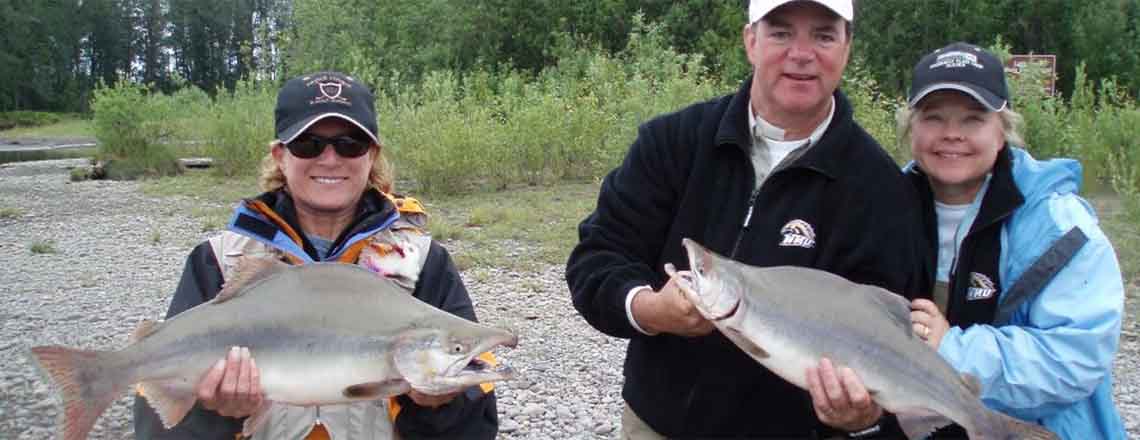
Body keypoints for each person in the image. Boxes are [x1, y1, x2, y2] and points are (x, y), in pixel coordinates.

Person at [565, 0, 930, 437]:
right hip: (655, 424)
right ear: (750, 41)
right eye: (780, 32)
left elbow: (896, 344)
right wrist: (649, 308)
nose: (801, 52)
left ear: (847, 48)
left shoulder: (882, 190)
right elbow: (597, 257)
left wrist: (863, 420)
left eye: (823, 35)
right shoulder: (671, 142)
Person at [133, 71, 499, 439]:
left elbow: (475, 430)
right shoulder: (216, 261)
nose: (330, 159)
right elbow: (157, 426)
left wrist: (437, 404)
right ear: (280, 155)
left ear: (372, 155)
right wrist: (220, 415)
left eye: (350, 144)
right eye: (308, 144)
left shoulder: (424, 263)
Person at [900, 42, 1127, 439]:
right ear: (911, 128)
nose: (952, 134)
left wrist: (951, 350)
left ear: (1002, 132)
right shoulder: (880, 206)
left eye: (973, 119)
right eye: (934, 118)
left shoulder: (1057, 224)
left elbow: (1076, 357)